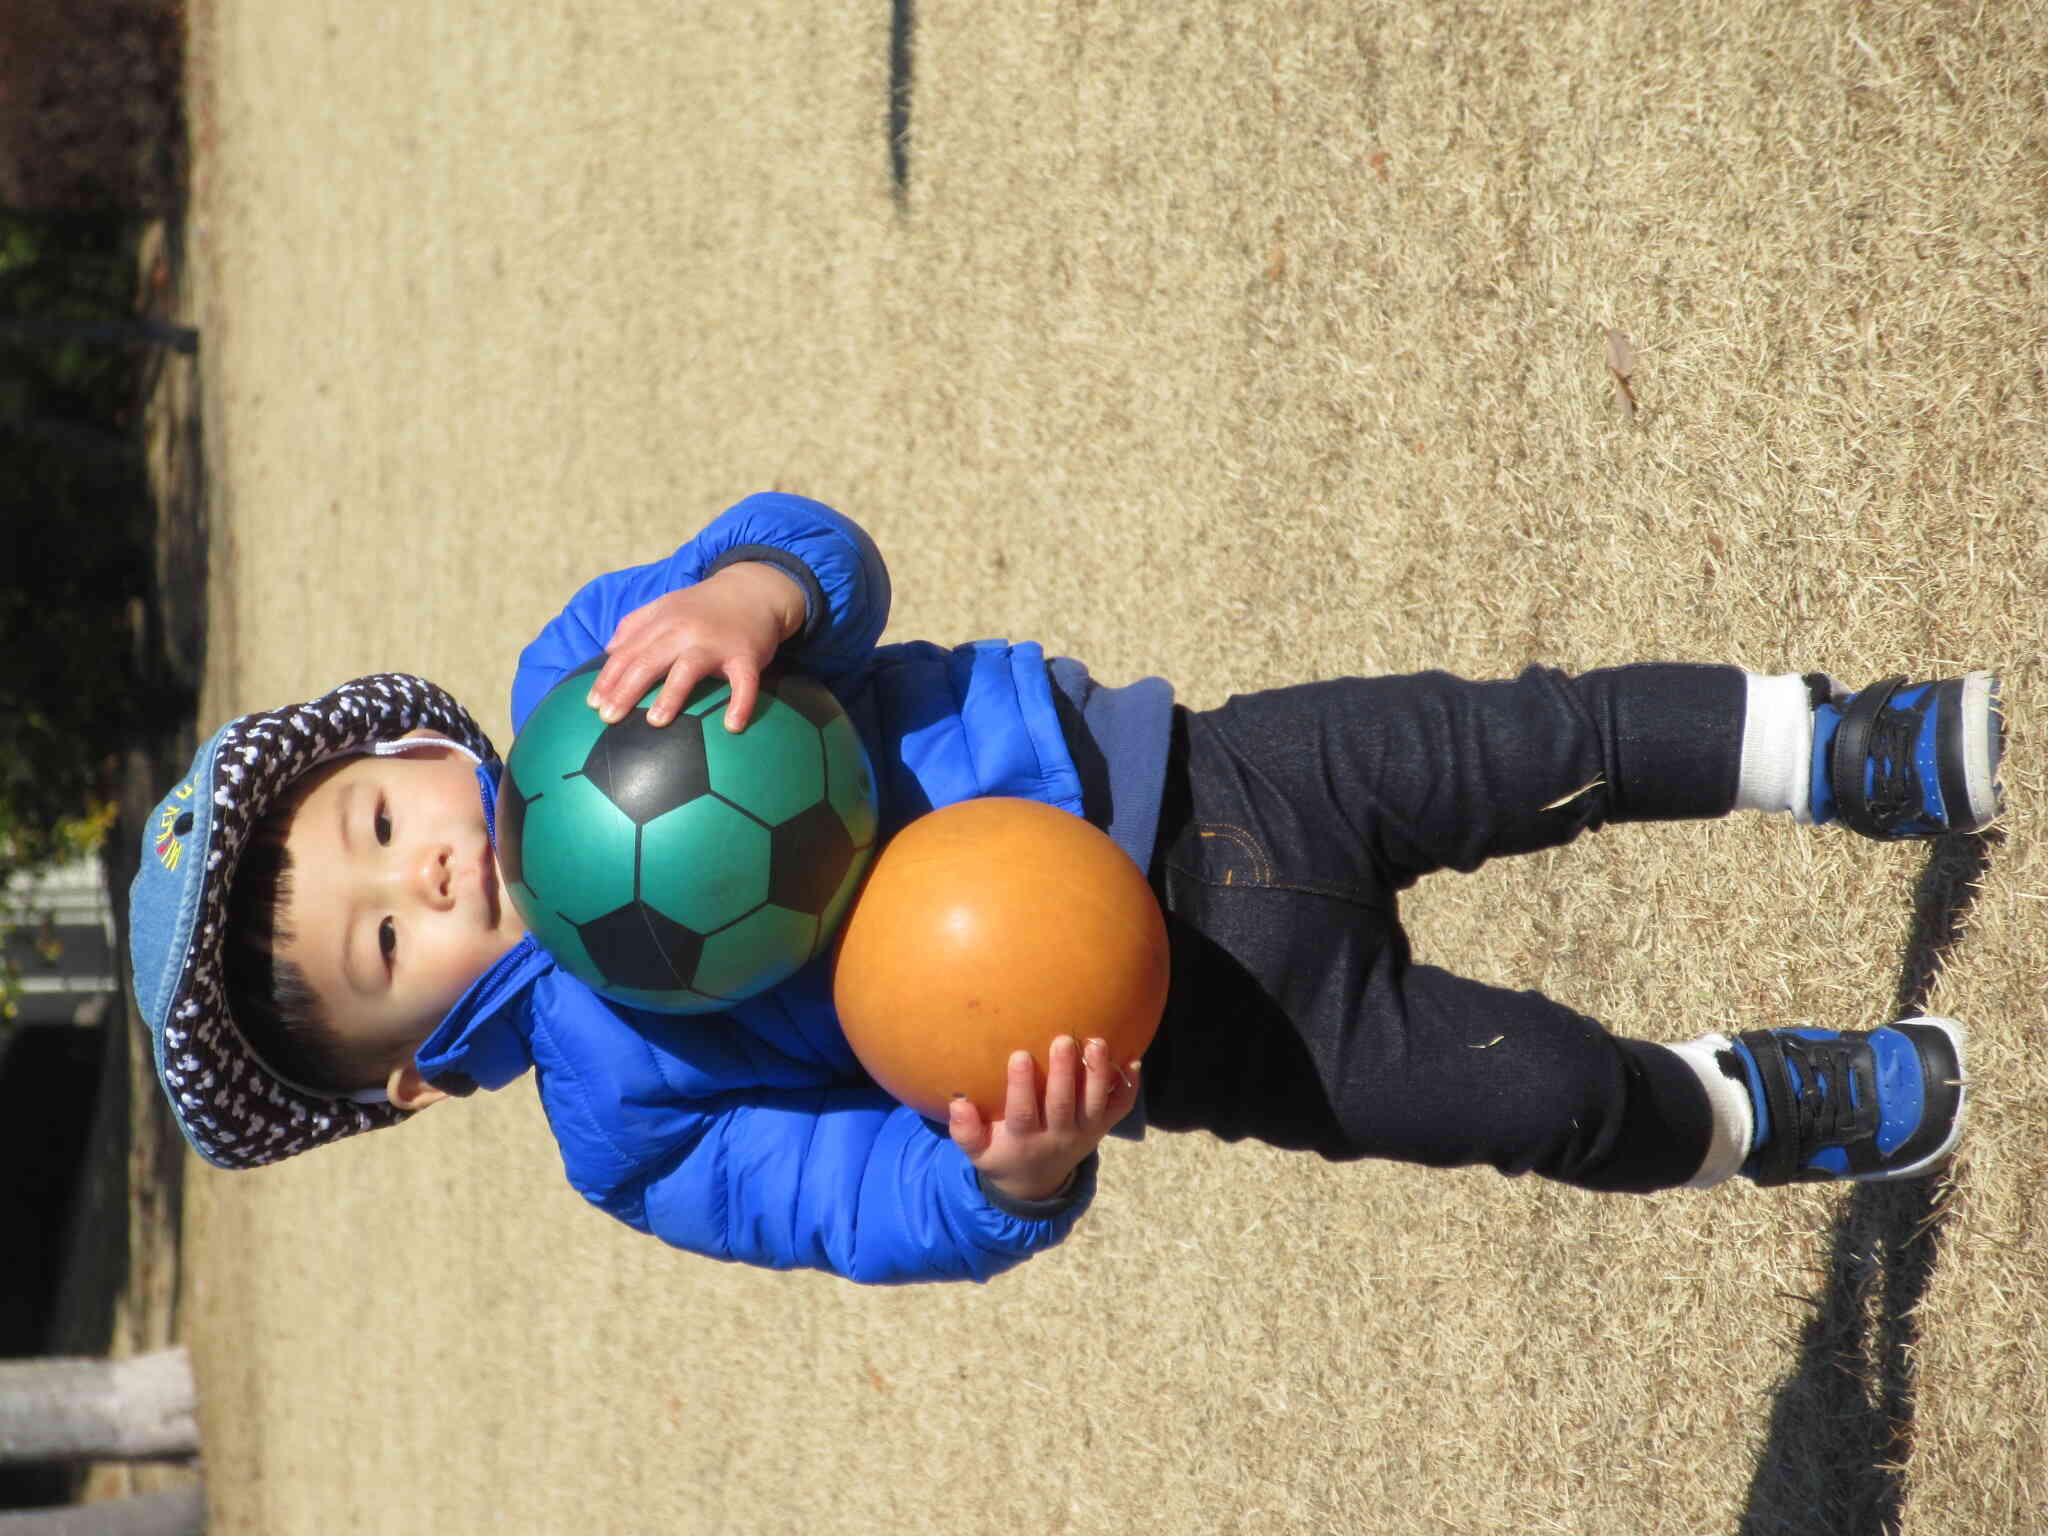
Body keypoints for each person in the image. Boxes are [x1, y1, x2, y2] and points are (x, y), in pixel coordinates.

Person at [129, 492, 2002, 1284]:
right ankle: (1753, 1105)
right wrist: (1003, 1176)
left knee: (1532, 741)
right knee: (1545, 1099)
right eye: (389, 940)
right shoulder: (628, 1124)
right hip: (1193, 1034)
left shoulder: (601, 668)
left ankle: (1826, 750)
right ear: (410, 1068)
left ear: (411, 750)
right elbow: (858, 1213)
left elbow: (818, 551)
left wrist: (754, 598)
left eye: (383, 825)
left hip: (1196, 769)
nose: (432, 868)